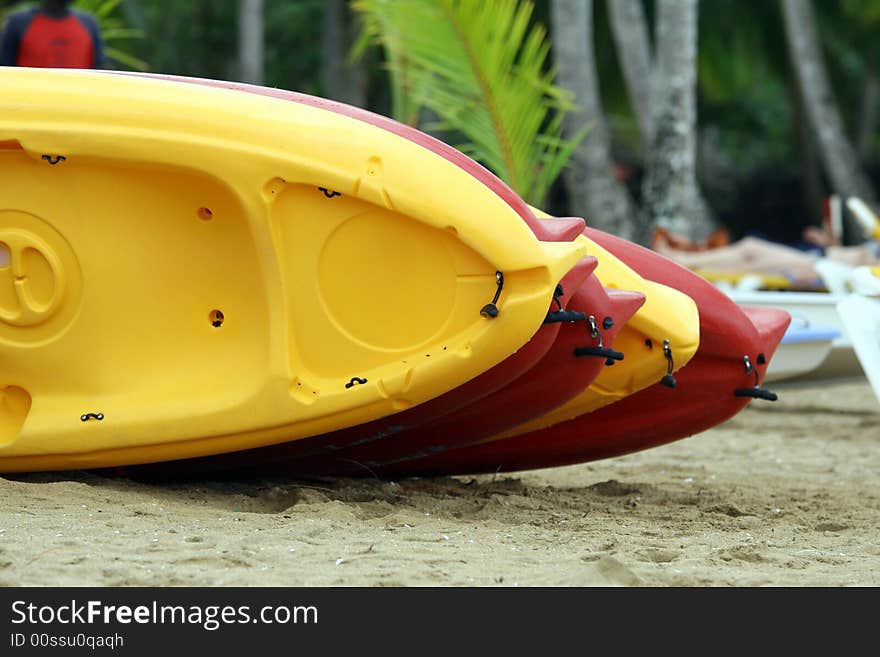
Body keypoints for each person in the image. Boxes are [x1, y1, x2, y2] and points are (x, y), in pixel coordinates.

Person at [1, 0, 104, 69]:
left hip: (78, 99)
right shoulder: (19, 23)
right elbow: (6, 70)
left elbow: (97, 72)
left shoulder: (89, 24)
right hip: (30, 99)